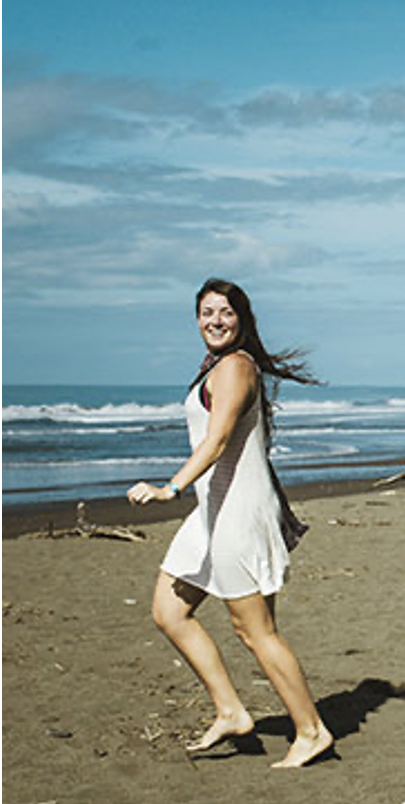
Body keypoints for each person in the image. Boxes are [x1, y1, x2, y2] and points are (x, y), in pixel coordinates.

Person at [128, 278, 333, 768]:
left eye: (225, 312)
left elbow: (217, 441)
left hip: (238, 514)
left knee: (255, 630)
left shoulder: (236, 367)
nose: (215, 320)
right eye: (206, 312)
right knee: (169, 611)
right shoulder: (218, 368)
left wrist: (169, 489)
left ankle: (311, 730)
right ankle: (231, 711)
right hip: (211, 513)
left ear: (241, 319)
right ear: (196, 319)